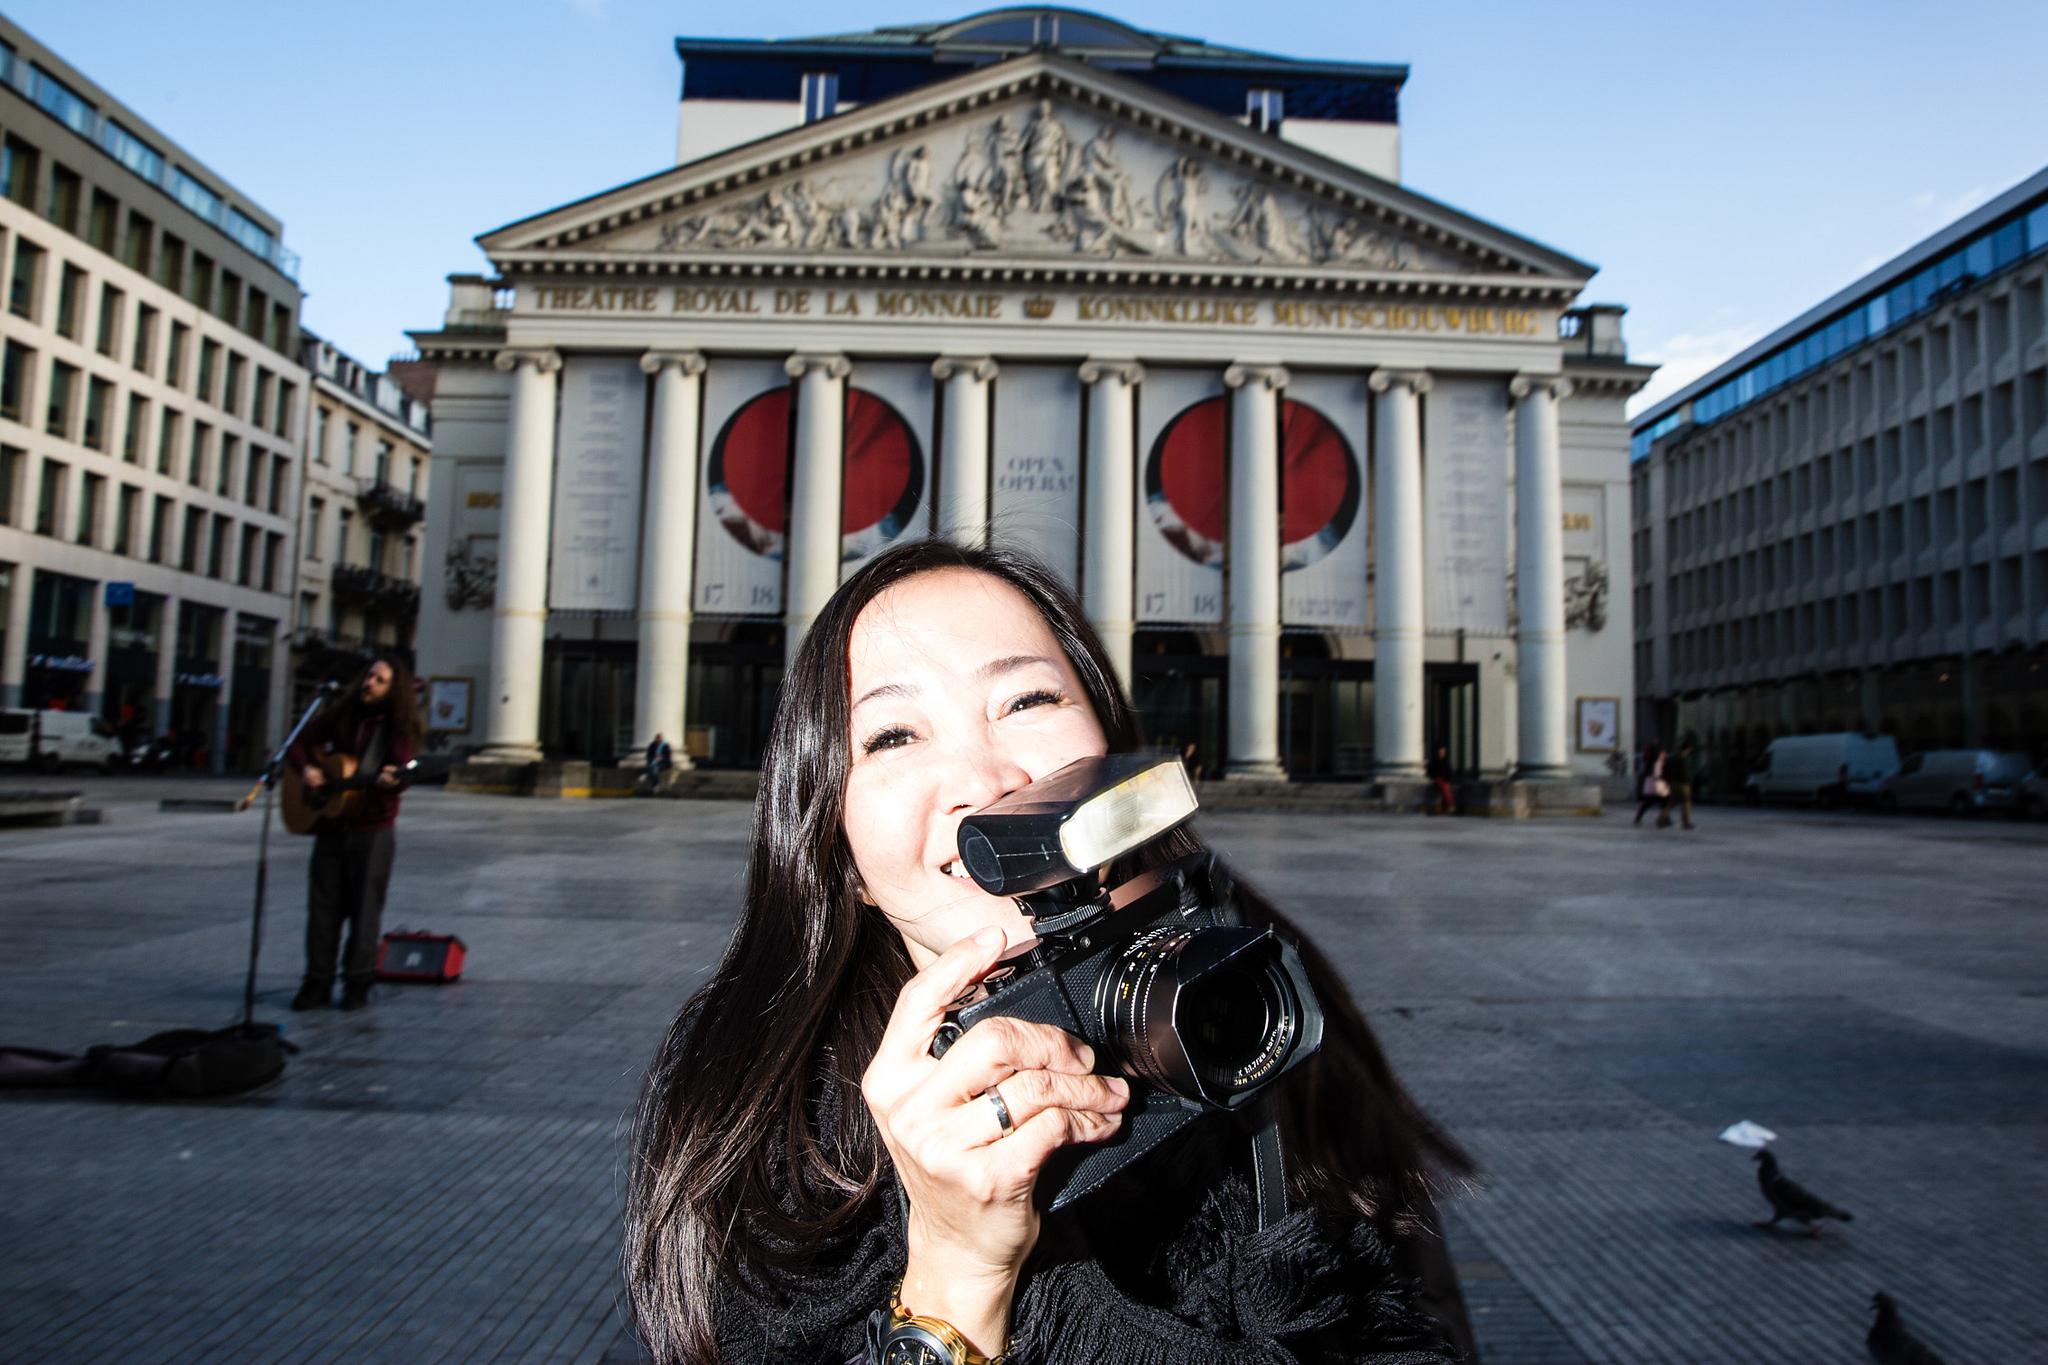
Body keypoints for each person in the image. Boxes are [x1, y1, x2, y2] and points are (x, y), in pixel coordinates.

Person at [626, 539, 1473, 1365]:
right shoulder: (758, 1124)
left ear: (1114, 743)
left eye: (1026, 701)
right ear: (841, 858)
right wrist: (956, 1273)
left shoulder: (1261, 1009)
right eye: (892, 735)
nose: (984, 779)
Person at [287, 654, 421, 1011]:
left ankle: (357, 982)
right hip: (331, 825)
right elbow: (297, 744)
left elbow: (400, 775)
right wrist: (308, 771)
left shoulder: (397, 728)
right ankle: (316, 981)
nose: (369, 684)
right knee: (322, 909)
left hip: (372, 829)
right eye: (368, 676)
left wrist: (393, 781)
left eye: (379, 680)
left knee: (364, 910)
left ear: (393, 690)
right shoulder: (341, 716)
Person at [1634, 742, 1671, 829]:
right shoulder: (1658, 761)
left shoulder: (1651, 761)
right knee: (1663, 802)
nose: (1665, 754)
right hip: (1657, 784)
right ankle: (1664, 819)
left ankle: (1639, 817)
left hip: (1652, 783)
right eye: (1663, 752)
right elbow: (1658, 775)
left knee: (1650, 802)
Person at [1668, 735, 1698, 831]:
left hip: (1674, 782)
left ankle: (1662, 819)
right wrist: (1688, 781)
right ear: (1687, 749)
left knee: (1672, 803)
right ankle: (1686, 822)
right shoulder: (1682, 758)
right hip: (1682, 784)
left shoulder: (1674, 757)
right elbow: (1684, 772)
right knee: (1686, 803)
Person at [1425, 745, 1457, 816]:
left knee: (1445, 788)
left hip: (1444, 780)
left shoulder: (1446, 762)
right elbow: (1430, 772)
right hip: (1437, 780)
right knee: (1445, 787)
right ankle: (1449, 806)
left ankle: (1447, 807)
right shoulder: (1434, 762)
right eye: (1441, 752)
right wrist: (1433, 778)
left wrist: (1447, 779)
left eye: (1443, 752)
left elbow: (1450, 773)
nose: (1442, 753)